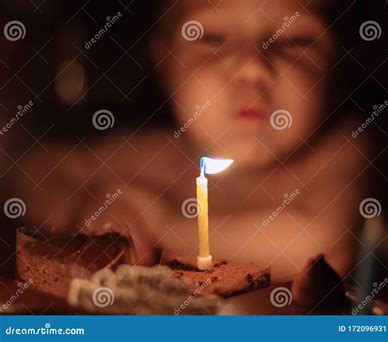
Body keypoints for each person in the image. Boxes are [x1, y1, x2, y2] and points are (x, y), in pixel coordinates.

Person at [10, 0, 368, 302]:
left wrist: (161, 225)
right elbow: (37, 172)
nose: (252, 66)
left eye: (296, 40)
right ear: (164, 60)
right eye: (212, 37)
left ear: (335, 64)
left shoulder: (340, 149)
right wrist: (90, 206)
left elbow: (318, 239)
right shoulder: (160, 154)